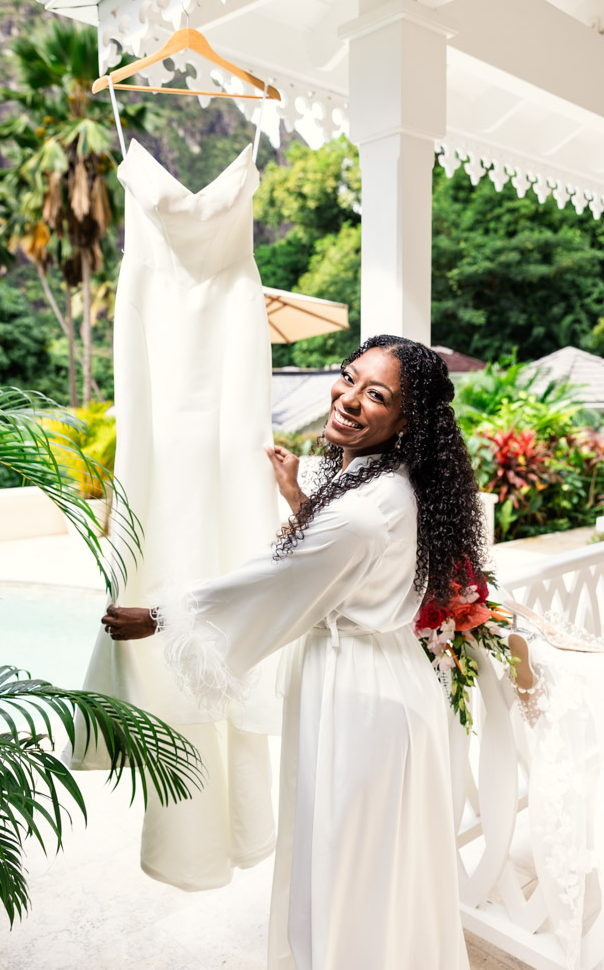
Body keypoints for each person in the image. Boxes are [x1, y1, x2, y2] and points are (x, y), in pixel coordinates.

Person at [102, 334, 485, 970]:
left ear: (406, 421)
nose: (351, 399)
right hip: (380, 679)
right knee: (374, 863)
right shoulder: (384, 480)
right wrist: (298, 498)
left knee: (344, 858)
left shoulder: (363, 507)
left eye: (377, 395)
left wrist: (161, 616)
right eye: (349, 378)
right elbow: (342, 565)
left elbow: (275, 583)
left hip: (360, 698)